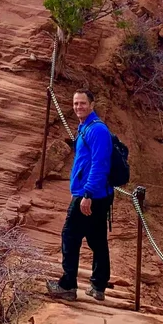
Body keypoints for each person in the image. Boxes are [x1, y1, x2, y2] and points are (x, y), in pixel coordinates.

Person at [46, 87, 113, 302]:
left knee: (70, 235)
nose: (78, 107)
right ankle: (98, 285)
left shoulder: (97, 130)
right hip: (95, 193)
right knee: (96, 239)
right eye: (75, 103)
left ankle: (67, 285)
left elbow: (100, 164)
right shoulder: (85, 126)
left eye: (82, 103)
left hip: (90, 194)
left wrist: (88, 194)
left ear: (92, 105)